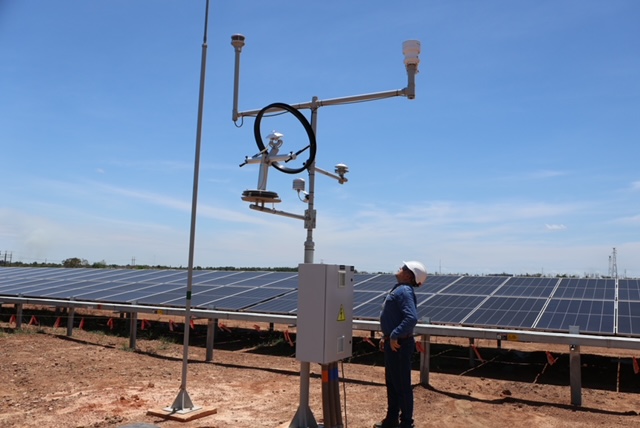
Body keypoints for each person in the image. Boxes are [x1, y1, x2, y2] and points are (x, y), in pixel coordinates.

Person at [375, 260, 427, 428]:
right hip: (394, 344)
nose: (400, 268)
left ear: (409, 275)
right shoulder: (400, 289)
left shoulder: (404, 291)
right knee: (392, 383)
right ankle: (391, 420)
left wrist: (394, 335)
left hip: (400, 345)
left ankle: (406, 423)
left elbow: (411, 318)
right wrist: (387, 337)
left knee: (402, 386)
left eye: (404, 268)